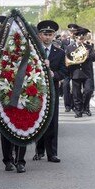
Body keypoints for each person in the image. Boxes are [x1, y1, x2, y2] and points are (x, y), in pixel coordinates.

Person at [34, 20, 65, 163]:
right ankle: (39, 151)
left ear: (54, 35)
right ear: (39, 35)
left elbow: (64, 72)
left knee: (52, 122)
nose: (47, 37)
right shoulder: (34, 51)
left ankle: (52, 153)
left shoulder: (59, 52)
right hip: (36, 91)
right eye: (45, 34)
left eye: (50, 34)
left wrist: (54, 75)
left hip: (52, 91)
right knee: (39, 121)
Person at [65, 27, 95, 117]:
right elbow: (67, 60)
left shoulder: (89, 47)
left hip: (87, 73)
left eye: (82, 39)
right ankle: (78, 111)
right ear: (76, 38)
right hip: (75, 73)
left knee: (88, 91)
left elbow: (94, 59)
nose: (81, 40)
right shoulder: (70, 47)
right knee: (76, 93)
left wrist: (87, 54)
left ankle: (86, 107)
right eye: (79, 38)